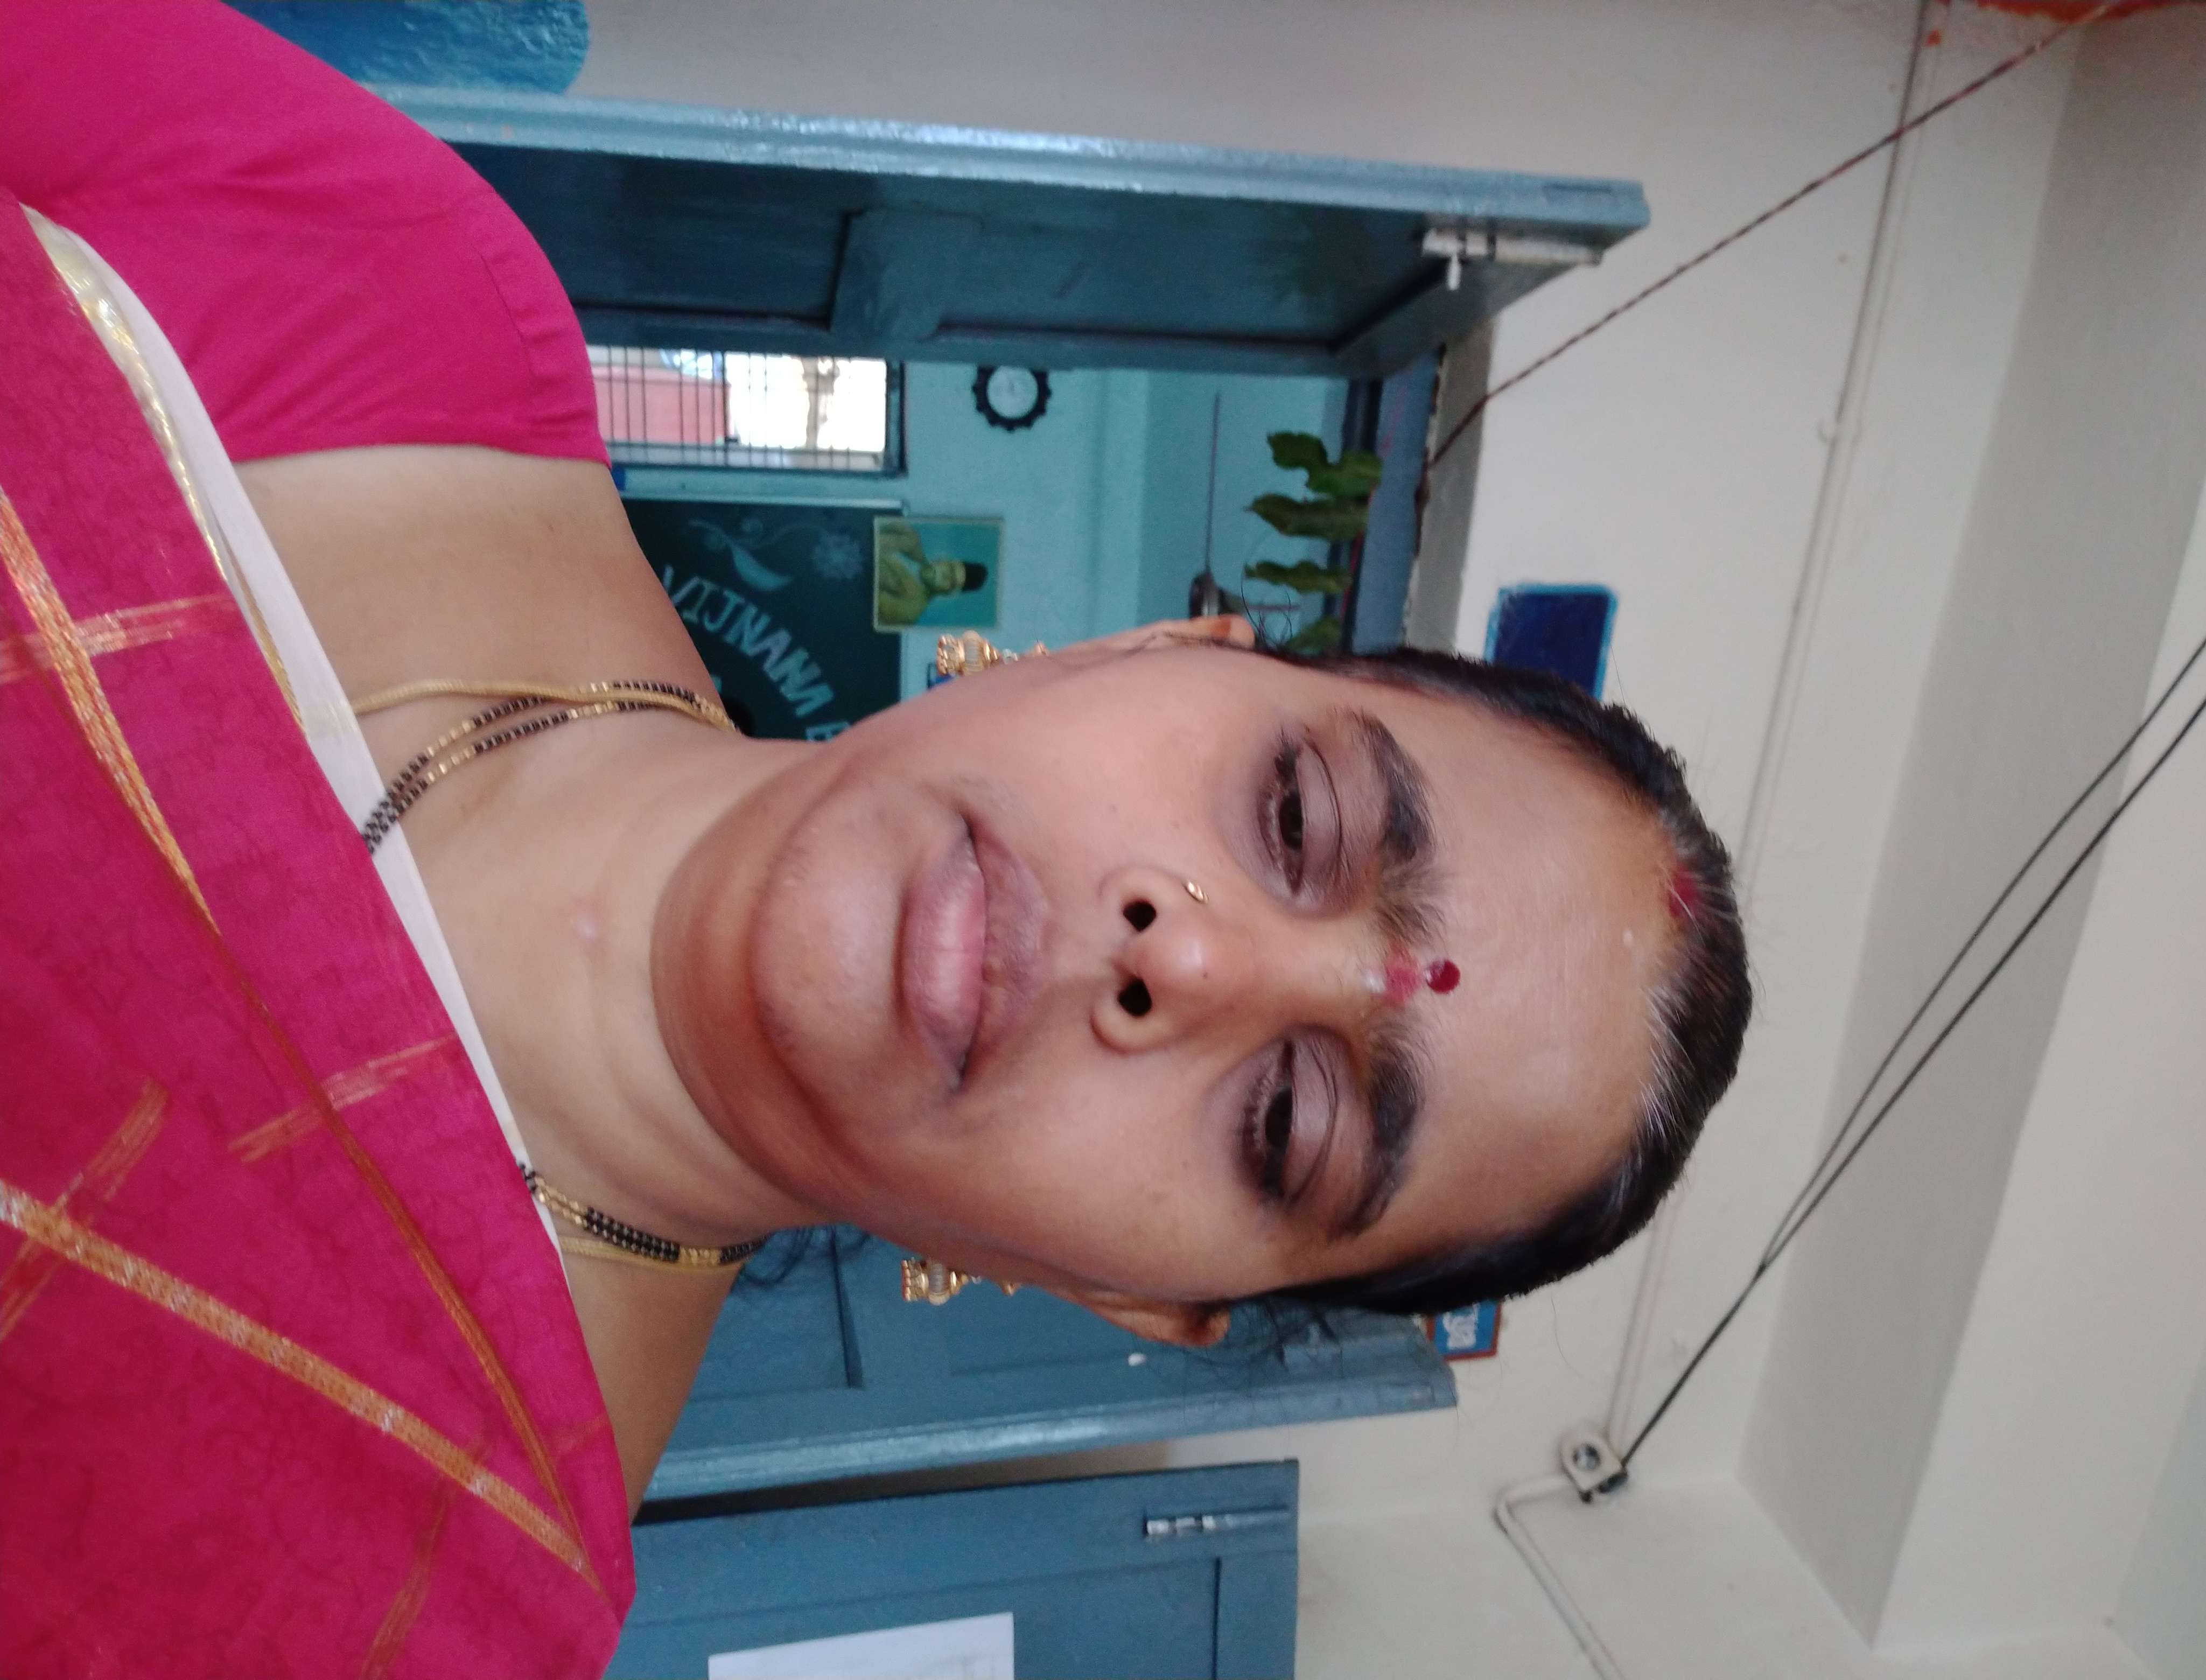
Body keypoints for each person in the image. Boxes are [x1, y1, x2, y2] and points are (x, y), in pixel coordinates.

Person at [0, 4, 1749, 1674]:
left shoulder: (414, 1595)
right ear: (1149, 648)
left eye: (1288, 1125)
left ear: (1128, 1296)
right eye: (1297, 815)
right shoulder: (382, 283)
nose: (1190, 956)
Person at [875, 519, 991, 626]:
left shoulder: (910, 609)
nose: (945, 575)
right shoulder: (909, 537)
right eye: (950, 568)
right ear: (943, 560)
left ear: (947, 593)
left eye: (951, 582)